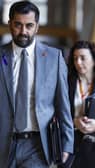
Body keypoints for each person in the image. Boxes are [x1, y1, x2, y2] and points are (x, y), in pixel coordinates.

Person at [0, 1, 74, 168]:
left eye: (29, 25)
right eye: (18, 25)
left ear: (37, 27)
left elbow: (63, 104)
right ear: (10, 24)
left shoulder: (54, 58)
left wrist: (67, 144)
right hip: (3, 144)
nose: (23, 31)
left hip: (38, 146)